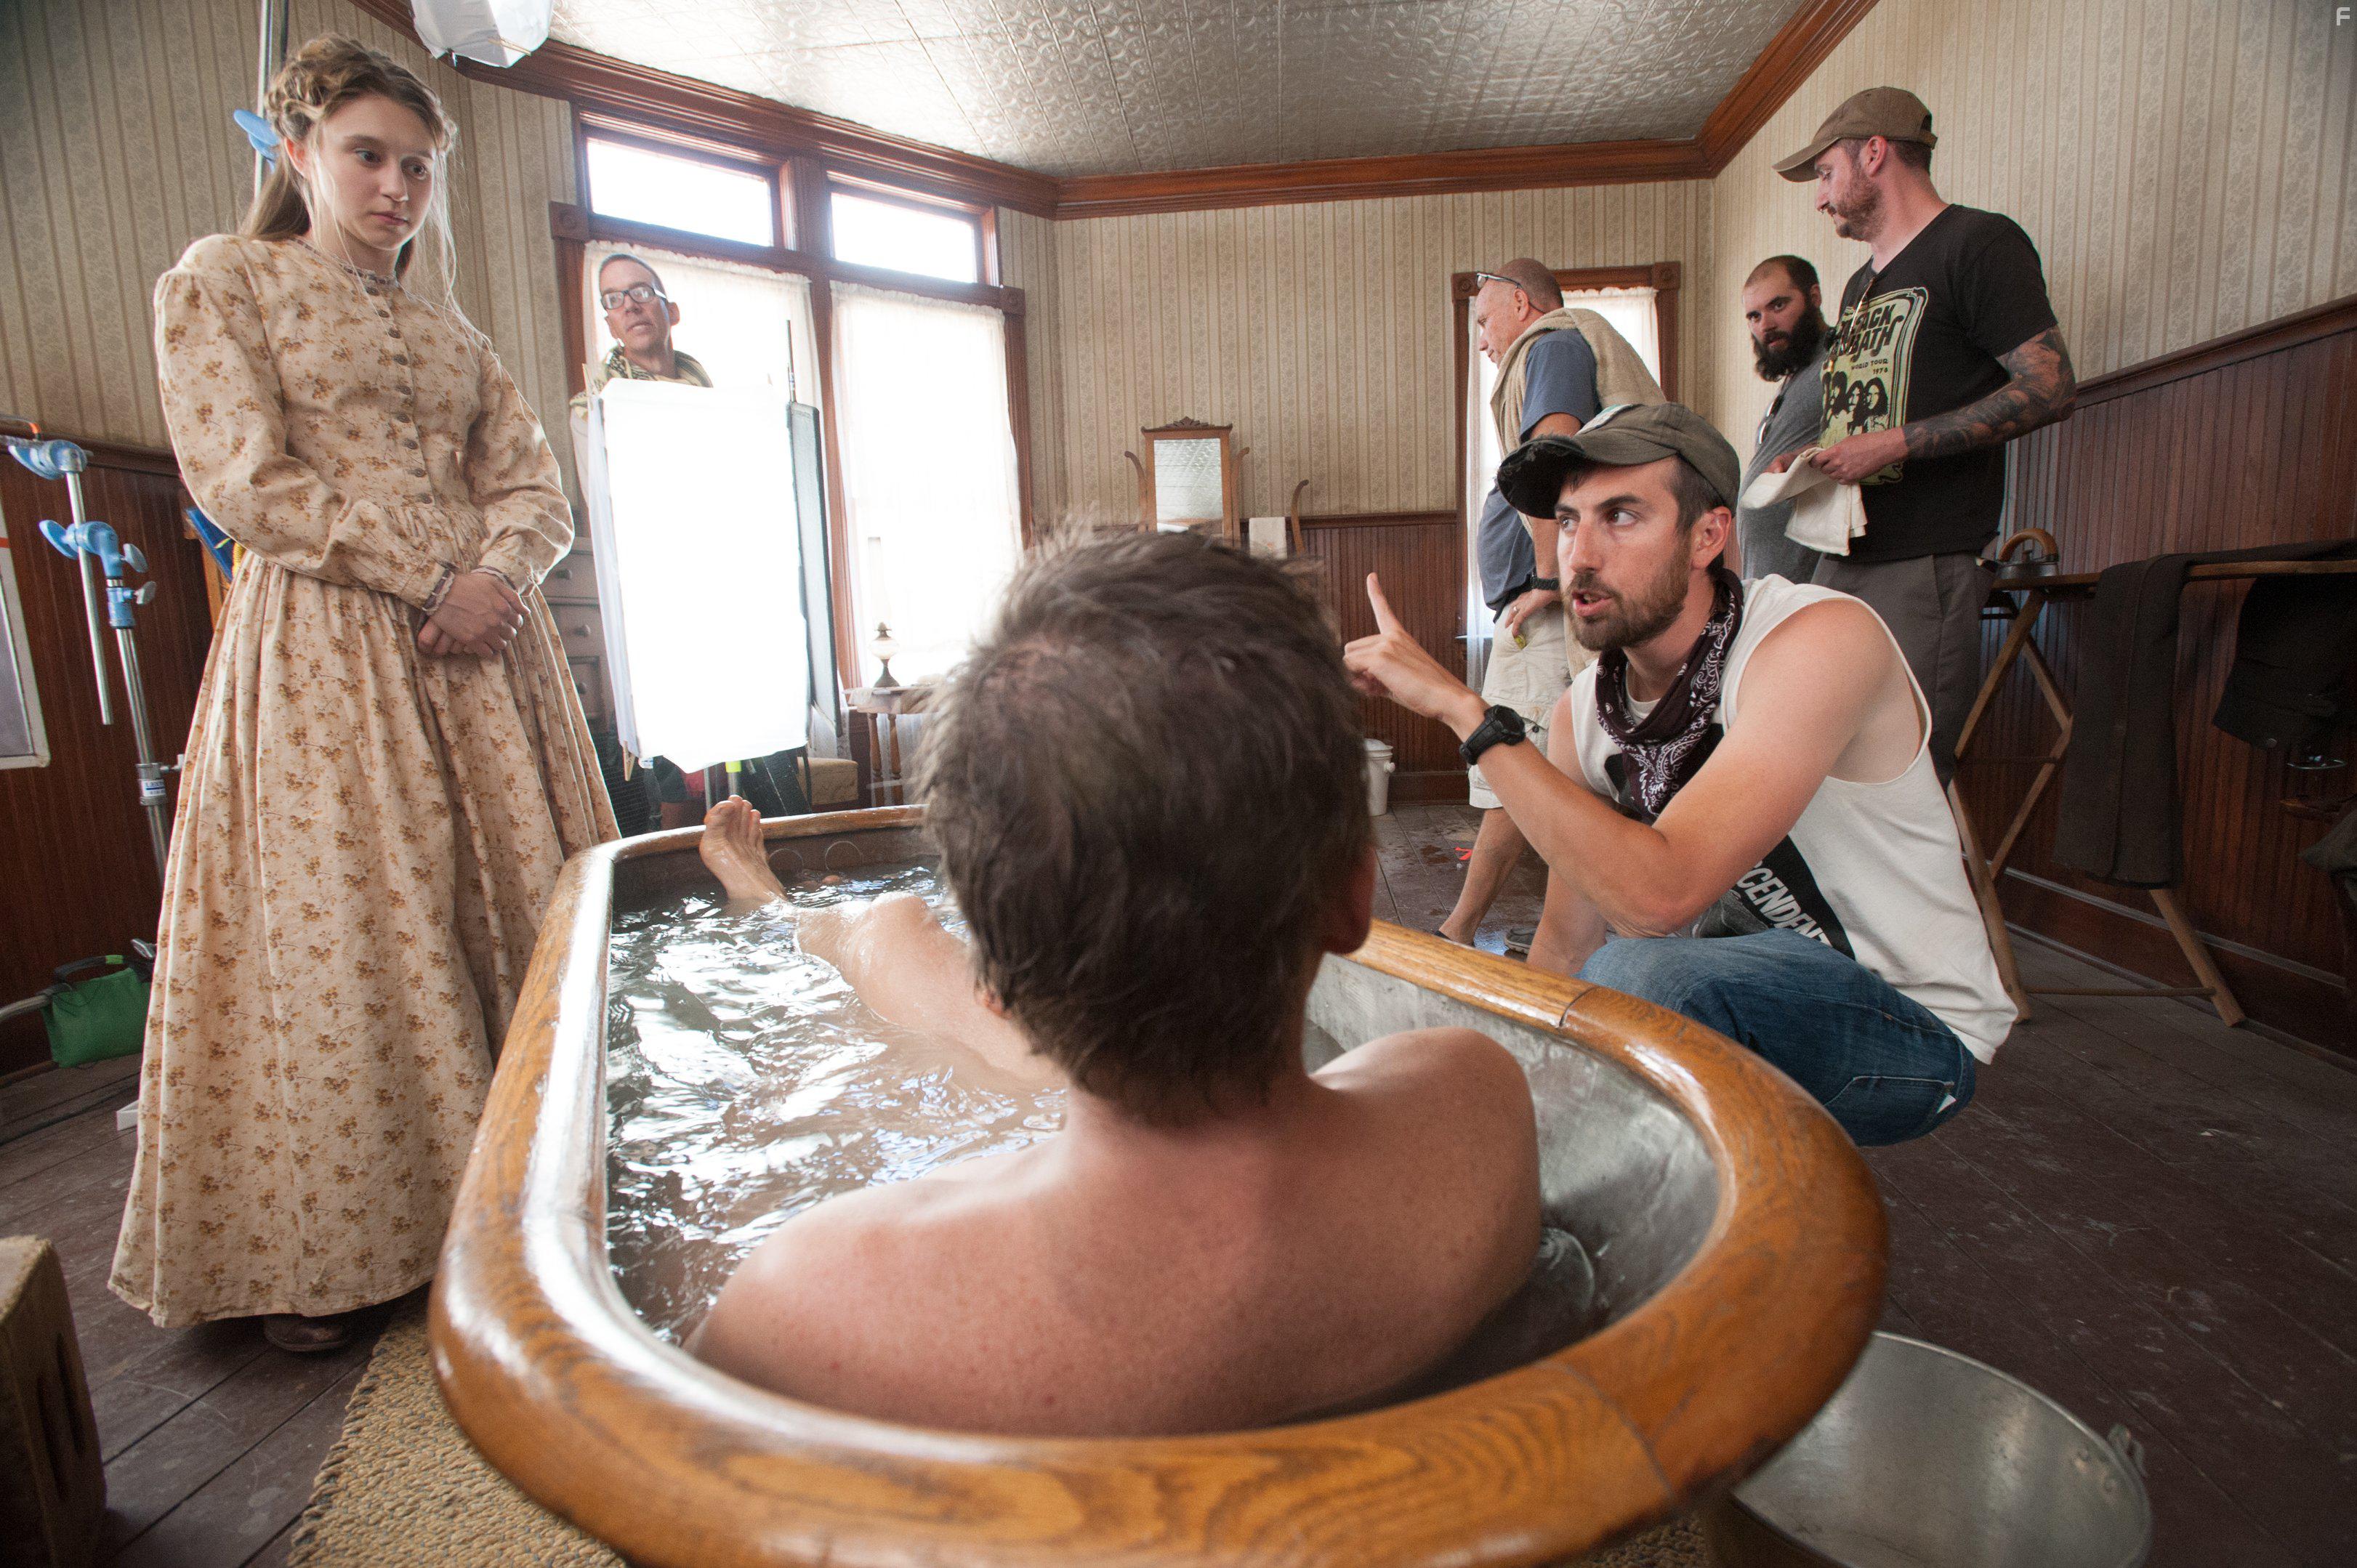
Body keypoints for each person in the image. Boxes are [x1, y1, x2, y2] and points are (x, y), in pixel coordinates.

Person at [688, 531, 1543, 1436]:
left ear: (997, 978)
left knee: (897, 928)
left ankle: (776, 909)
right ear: (1356, 896)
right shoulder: (1476, 1106)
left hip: (1031, 1083)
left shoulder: (807, 1306)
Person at [113, 36, 617, 1352]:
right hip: (328, 649)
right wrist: (426, 575)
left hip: (484, 658)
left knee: (515, 898)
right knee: (350, 918)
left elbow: (537, 490)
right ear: (297, 154)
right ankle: (339, 1252)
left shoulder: (452, 336)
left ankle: (529, 1205)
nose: (397, 185)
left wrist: (495, 579)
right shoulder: (225, 282)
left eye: (417, 164)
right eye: (368, 156)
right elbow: (241, 476)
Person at [1344, 403, 2010, 1147]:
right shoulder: (1583, 715)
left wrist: (1467, 713)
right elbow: (1565, 950)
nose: (1581, 555)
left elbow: (1660, 898)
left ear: (1708, 536)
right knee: (1540, 1019)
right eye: (1568, 522)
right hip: (1733, 990)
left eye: (1622, 516)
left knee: (1644, 978)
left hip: (1909, 1026)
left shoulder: (1817, 639)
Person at [1771, 87, 2077, 781]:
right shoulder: (1856, 287)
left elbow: (2051, 387)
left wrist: (1897, 443)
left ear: (1873, 153)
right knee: (1824, 774)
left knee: (1901, 780)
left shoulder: (1978, 243)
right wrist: (1816, 454)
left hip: (1925, 563)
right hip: (1840, 553)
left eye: (1824, 174)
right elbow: (1867, 410)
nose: (1819, 199)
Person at [1442, 259, 1652, 950]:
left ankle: (1462, 928)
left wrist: (1543, 578)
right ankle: (1572, 937)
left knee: (1515, 762)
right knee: (1547, 765)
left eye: (1483, 320)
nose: (1481, 341)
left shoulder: (1554, 343)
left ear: (1523, 303)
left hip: (1552, 604)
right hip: (1547, 602)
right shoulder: (1552, 348)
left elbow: (1553, 460)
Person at [1733, 255, 1831, 583]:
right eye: (1754, 316)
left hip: (1807, 583)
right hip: (1770, 579)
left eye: (1778, 306)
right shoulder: (1796, 375)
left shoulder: (1840, 362)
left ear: (1814, 297)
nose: (1766, 325)